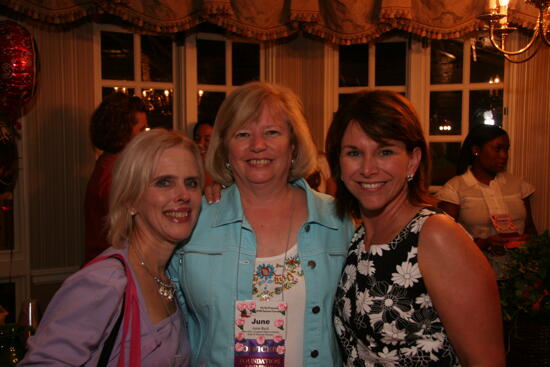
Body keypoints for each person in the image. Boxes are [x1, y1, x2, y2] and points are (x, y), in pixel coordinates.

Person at [168, 81, 355, 366]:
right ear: (224, 147)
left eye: (272, 132)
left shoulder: (336, 220)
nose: (257, 145)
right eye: (243, 134)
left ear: (293, 144)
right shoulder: (193, 222)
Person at [326, 91, 505, 366]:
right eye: (354, 153)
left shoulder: (435, 235)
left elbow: (486, 361)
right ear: (338, 162)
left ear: (412, 160)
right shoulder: (359, 238)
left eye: (385, 151)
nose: (368, 168)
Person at [20, 129, 203, 366]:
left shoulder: (167, 276)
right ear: (130, 199)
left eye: (191, 182)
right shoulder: (105, 282)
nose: (183, 195)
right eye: (164, 182)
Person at [436, 125, 536, 278]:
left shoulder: (518, 185)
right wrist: (483, 243)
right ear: (476, 150)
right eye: (497, 149)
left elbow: (530, 227)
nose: (504, 155)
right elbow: (446, 239)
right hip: (475, 273)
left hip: (519, 273)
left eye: (506, 149)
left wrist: (528, 241)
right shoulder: (455, 188)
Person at [84, 92, 149, 262]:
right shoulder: (113, 176)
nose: (145, 136)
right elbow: (133, 231)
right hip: (111, 270)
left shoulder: (111, 166)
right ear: (122, 133)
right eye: (141, 130)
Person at [192, 120, 217, 188]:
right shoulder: (189, 171)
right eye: (197, 139)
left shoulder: (227, 174)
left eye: (207, 139)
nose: (200, 144)